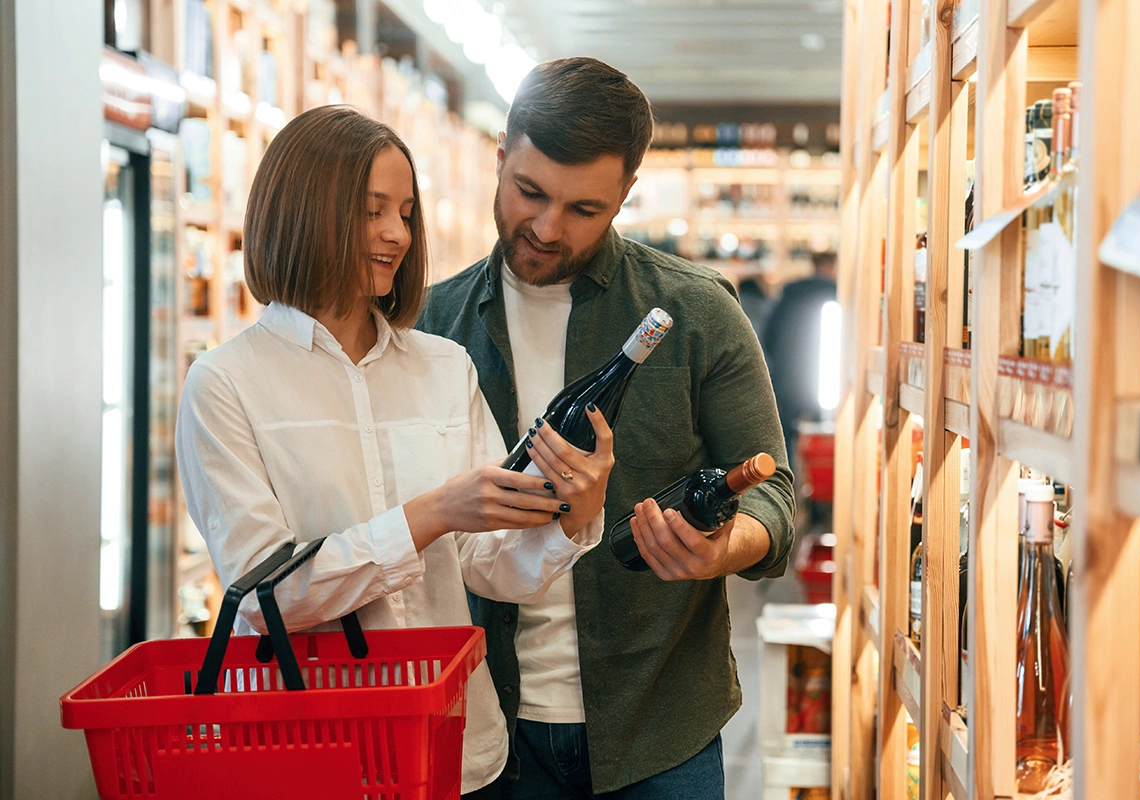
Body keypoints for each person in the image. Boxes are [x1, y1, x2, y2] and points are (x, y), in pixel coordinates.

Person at [174, 105, 615, 800]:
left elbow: (488, 566)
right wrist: (430, 514)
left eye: (406, 212)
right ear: (302, 212)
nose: (396, 234)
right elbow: (267, 599)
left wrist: (567, 519)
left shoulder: (444, 368)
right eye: (372, 210)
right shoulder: (226, 385)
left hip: (461, 753)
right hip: (315, 757)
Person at [417, 58, 796, 798]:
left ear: (625, 195)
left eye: (584, 209)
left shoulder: (695, 312)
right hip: (484, 729)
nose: (546, 227)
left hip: (660, 728)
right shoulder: (431, 326)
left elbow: (772, 492)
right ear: (500, 158)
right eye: (529, 192)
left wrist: (726, 545)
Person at [760, 251, 840, 452]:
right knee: (822, 439)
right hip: (825, 377)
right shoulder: (837, 296)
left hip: (787, 375)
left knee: (785, 439)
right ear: (832, 266)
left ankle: (788, 480)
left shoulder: (790, 295)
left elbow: (768, 334)